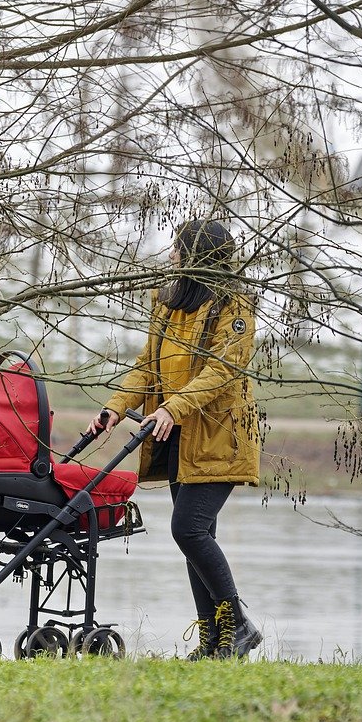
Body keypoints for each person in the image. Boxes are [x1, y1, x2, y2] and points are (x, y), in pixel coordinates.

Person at [88, 219, 262, 659]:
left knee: (188, 529)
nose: (171, 255)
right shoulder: (168, 303)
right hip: (177, 437)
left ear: (199, 255)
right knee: (197, 539)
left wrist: (172, 407)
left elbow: (223, 370)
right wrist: (116, 406)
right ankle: (214, 642)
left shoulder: (234, 305)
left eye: (178, 248)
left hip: (219, 436)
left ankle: (238, 626)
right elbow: (148, 366)